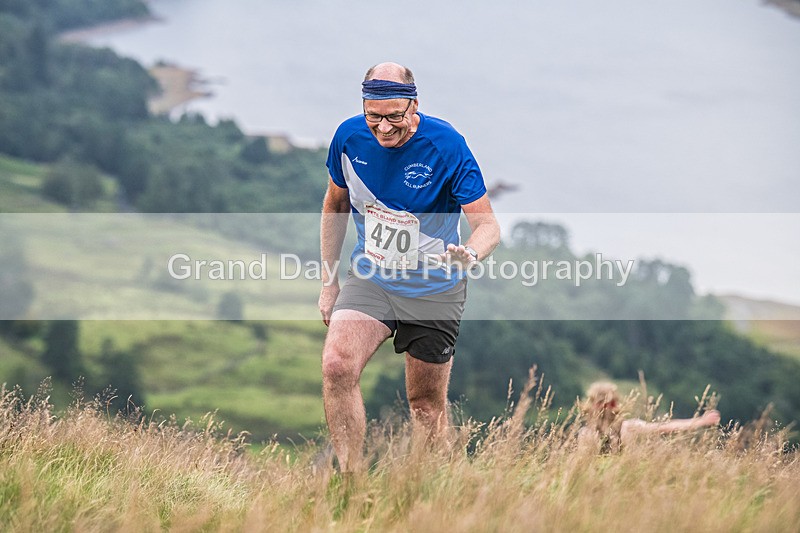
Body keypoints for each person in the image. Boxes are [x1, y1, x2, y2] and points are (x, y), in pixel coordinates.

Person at [319, 62, 500, 472]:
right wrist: (329, 283)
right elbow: (335, 204)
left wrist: (470, 253)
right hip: (372, 277)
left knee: (425, 408)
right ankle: (351, 482)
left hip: (435, 288)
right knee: (336, 366)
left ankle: (437, 492)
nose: (383, 128)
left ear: (414, 105)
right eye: (374, 117)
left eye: (395, 117)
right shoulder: (348, 137)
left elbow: (488, 225)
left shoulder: (447, 144)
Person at [578, 381, 722, 453]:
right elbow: (666, 427)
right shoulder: (629, 427)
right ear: (616, 404)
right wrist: (701, 421)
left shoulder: (585, 434)